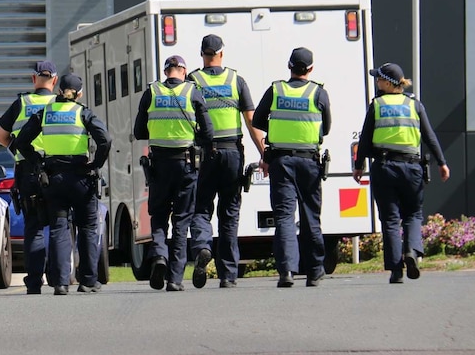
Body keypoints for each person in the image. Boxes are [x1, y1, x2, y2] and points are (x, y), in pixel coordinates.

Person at [13, 73, 112, 295]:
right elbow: (105, 139)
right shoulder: (83, 112)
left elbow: (21, 141)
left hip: (53, 177)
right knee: (87, 227)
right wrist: (95, 163)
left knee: (59, 227)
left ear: (59, 91)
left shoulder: (45, 113)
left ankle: (59, 282)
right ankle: (87, 280)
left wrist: (37, 162)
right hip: (81, 177)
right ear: (79, 93)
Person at [353, 62, 451, 284]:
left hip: (385, 167)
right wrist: (442, 163)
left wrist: (359, 165)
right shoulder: (414, 105)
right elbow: (429, 136)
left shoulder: (376, 106)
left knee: (389, 219)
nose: (376, 82)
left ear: (388, 83)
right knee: (413, 214)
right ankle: (412, 251)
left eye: (378, 79)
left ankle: (396, 271)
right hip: (412, 168)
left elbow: (365, 139)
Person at [187, 34, 264, 289]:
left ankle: (201, 247)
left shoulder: (193, 81)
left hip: (205, 153)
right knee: (229, 214)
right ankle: (228, 275)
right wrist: (265, 153)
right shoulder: (236, 80)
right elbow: (251, 122)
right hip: (232, 151)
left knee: (201, 208)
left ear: (202, 55)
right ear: (221, 53)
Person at [252, 47, 331, 288]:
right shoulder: (319, 92)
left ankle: (287, 271)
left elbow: (257, 120)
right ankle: (315, 272)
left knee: (284, 217)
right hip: (309, 161)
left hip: (281, 161)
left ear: (289, 66)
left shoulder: (276, 90)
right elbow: (326, 127)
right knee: (310, 216)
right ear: (310, 69)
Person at [133, 55, 214, 292]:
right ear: (184, 71)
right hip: (186, 164)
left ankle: (159, 256)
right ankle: (175, 279)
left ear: (166, 70)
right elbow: (208, 132)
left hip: (158, 163)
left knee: (158, 216)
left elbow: (139, 131)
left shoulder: (152, 92)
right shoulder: (192, 92)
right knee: (181, 219)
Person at [0, 60, 58, 294]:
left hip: (28, 170)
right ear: (55, 80)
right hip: (55, 169)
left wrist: (18, 149)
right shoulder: (60, 104)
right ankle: (57, 275)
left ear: (34, 79)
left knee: (33, 226)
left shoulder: (21, 103)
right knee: (57, 225)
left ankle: (33, 281)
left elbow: (0, 136)